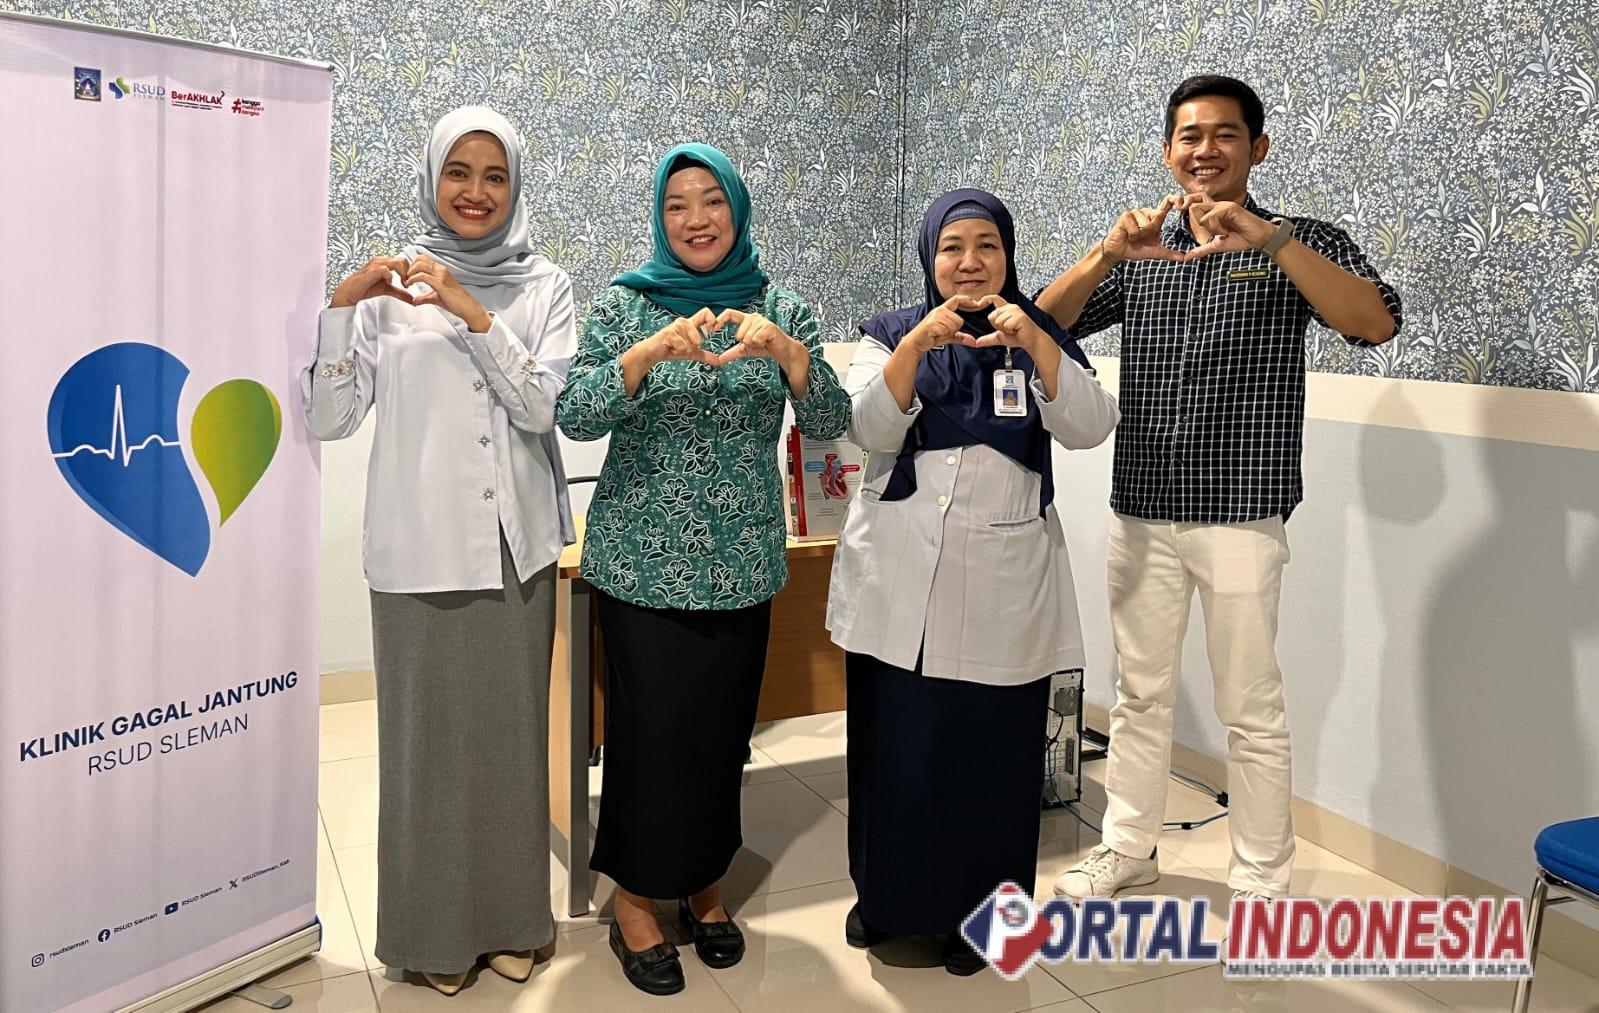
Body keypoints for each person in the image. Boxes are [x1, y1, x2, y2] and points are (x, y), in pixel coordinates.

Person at [1040, 75, 1401, 903]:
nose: (1204, 150)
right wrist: (1106, 254)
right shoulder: (1146, 249)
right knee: (1138, 695)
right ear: (1169, 151)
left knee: (1250, 704)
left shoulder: (1299, 241)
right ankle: (1127, 847)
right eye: (1189, 136)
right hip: (1143, 505)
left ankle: (1262, 878)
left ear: (1256, 148)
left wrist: (1268, 240)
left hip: (1241, 509)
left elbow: (1373, 321)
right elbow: (1041, 325)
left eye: (1224, 134)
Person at [555, 143, 851, 997]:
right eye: (677, 204)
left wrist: (790, 355)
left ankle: (705, 884)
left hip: (743, 561)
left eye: (711, 201)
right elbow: (573, 414)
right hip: (642, 562)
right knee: (651, 735)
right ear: (660, 217)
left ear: (736, 210)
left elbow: (830, 418)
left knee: (723, 736)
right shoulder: (624, 305)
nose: (695, 219)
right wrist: (645, 354)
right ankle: (636, 899)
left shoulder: (780, 306)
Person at [302, 106, 575, 996]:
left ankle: (514, 923)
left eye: (495, 176)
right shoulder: (388, 293)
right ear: (431, 178)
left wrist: (471, 313)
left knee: (511, 748)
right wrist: (342, 309)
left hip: (513, 551)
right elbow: (330, 419)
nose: (476, 192)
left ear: (515, 186)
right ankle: (432, 933)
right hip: (417, 550)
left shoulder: (545, 286)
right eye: (459, 172)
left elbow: (542, 408)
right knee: (425, 755)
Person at [826, 188, 1119, 974]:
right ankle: (885, 902)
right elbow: (867, 426)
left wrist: (1037, 342)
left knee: (989, 759)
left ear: (1007, 255)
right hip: (897, 578)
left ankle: (983, 922)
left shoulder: (1037, 332)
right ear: (929, 256)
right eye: (951, 246)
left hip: (1001, 583)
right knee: (896, 752)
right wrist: (916, 348)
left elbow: (1090, 424)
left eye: (985, 245)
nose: (968, 261)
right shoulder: (890, 332)